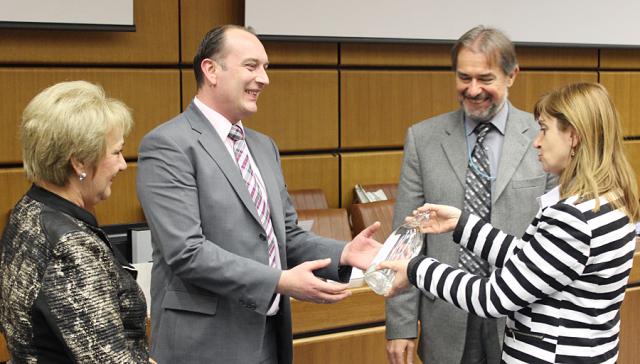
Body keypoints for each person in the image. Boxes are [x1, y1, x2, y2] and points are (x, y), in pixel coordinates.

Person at [136, 24, 381, 364]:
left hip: (268, 338)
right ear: (211, 70)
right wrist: (279, 281)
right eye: (251, 66)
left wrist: (344, 254)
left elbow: (287, 236)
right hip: (203, 345)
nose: (264, 79)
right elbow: (186, 251)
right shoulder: (168, 145)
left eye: (265, 68)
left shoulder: (263, 147)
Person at [381, 82, 639, 363]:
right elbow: (533, 262)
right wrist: (462, 225)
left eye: (544, 129)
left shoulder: (573, 218)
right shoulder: (609, 200)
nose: (536, 141)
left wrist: (416, 269)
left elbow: (492, 297)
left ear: (573, 136)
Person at [385, 26, 556, 364]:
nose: (473, 89)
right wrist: (400, 325)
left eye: (485, 78)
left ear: (512, 75)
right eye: (464, 77)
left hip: (523, 316)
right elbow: (406, 237)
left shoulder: (544, 138)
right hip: (446, 315)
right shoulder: (424, 138)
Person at [0, 81, 149, 362]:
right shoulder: (71, 248)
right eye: (116, 152)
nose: (122, 164)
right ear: (80, 162)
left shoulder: (28, 209)